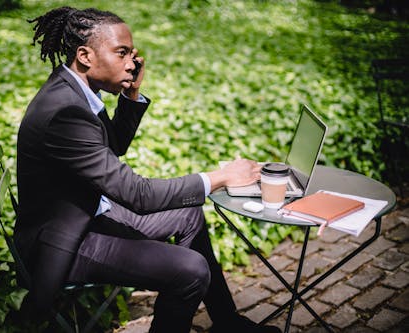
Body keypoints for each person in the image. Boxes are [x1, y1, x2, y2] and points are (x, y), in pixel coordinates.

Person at [15, 6, 281, 333]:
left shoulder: (73, 90)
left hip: (85, 212)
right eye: (121, 53)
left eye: (132, 54)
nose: (132, 63)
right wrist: (221, 177)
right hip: (66, 240)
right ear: (85, 55)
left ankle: (227, 324)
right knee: (192, 269)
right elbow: (139, 196)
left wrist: (131, 94)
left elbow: (111, 147)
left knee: (189, 215)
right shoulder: (66, 112)